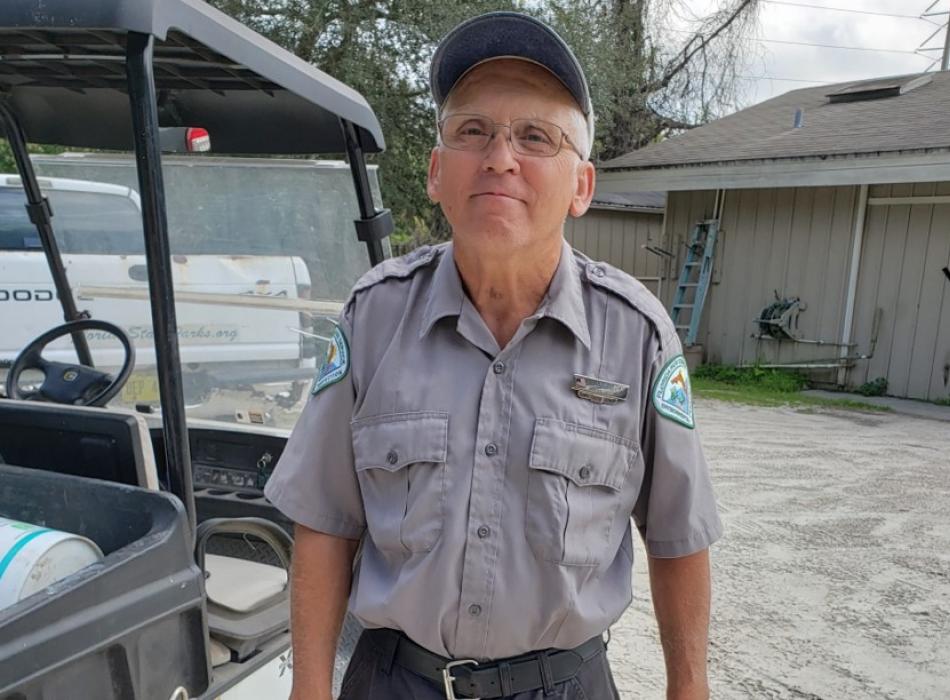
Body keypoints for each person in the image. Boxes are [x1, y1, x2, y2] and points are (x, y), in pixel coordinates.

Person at [264, 11, 723, 700]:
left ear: (582, 187)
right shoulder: (376, 316)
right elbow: (326, 522)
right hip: (393, 683)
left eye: (535, 136)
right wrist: (308, 690)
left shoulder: (637, 335)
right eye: (472, 131)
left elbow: (679, 535)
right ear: (436, 170)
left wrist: (689, 691)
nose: (500, 158)